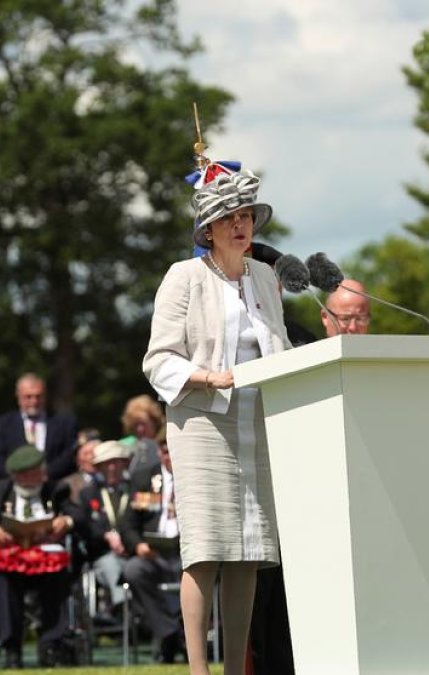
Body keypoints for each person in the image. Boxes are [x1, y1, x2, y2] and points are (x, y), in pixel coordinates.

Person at [143, 157, 290, 674]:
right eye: (229, 216)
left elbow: (284, 350)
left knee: (249, 549)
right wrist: (210, 377)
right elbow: (158, 358)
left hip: (256, 423)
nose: (240, 223)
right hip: (202, 422)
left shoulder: (267, 278)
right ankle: (198, 670)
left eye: (245, 213)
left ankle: (235, 669)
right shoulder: (184, 276)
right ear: (208, 229)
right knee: (206, 548)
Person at [0, 446, 87, 668]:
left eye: (33, 474)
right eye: (22, 476)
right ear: (13, 476)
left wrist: (66, 521)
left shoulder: (56, 490)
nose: (29, 480)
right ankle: (12, 647)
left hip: (48, 560)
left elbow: (79, 514)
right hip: (10, 561)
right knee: (3, 582)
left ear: (42, 472)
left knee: (58, 579)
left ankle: (51, 644)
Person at [120, 440, 186, 663]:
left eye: (174, 450)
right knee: (133, 570)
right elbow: (127, 524)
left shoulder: (194, 476)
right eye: (166, 452)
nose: (170, 456)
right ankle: (170, 633)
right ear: (159, 453)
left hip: (186, 554)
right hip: (153, 554)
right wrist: (138, 544)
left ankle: (186, 636)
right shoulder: (145, 478)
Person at [78, 440, 134, 619]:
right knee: (111, 564)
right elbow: (86, 526)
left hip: (133, 552)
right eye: (106, 464)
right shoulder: (89, 493)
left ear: (124, 463)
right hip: (103, 555)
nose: (111, 468)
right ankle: (123, 605)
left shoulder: (135, 490)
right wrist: (106, 536)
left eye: (116, 462)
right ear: (99, 467)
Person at [0, 373, 79, 481]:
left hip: (53, 486)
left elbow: (70, 455)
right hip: (14, 488)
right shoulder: (3, 424)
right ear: (18, 396)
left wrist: (45, 474)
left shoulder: (64, 423)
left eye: (38, 396)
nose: (34, 401)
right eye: (28, 397)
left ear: (45, 396)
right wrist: (19, 478)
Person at [121, 395, 166, 475]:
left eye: (143, 424)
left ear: (154, 422)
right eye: (135, 425)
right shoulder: (128, 450)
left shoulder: (167, 445)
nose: (140, 429)